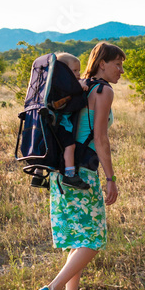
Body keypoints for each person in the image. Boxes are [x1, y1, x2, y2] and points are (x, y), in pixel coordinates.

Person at [30, 42, 125, 290]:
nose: (121, 70)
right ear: (101, 63)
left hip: (62, 173)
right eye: (117, 64)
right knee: (93, 240)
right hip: (83, 173)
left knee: (78, 239)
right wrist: (111, 178)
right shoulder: (103, 91)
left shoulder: (79, 87)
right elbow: (101, 138)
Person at [53, 52, 91, 191]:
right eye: (74, 70)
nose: (78, 73)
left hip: (55, 125)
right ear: (63, 72)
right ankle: (70, 174)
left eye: (78, 70)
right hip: (62, 125)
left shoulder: (54, 85)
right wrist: (80, 86)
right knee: (70, 147)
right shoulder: (67, 87)